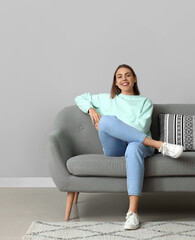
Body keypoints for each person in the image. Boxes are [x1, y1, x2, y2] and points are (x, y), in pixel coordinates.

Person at [74, 64, 184, 230]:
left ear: (134, 79)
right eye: (119, 76)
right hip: (115, 148)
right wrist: (91, 109)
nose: (124, 79)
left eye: (127, 75)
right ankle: (160, 146)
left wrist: (115, 126)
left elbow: (139, 129)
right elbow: (80, 98)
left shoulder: (145, 102)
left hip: (139, 145)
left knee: (131, 145)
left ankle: (132, 213)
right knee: (105, 120)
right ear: (116, 83)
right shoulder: (106, 99)